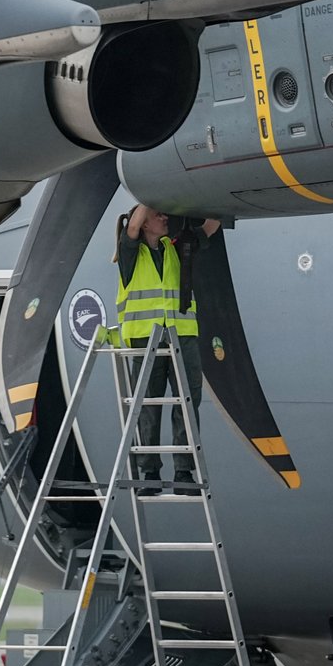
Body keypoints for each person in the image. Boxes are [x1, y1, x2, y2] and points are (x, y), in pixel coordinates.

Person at [113, 205, 220, 489]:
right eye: (157, 215)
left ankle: (184, 470)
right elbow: (132, 228)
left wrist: (212, 197)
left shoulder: (176, 249)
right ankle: (149, 473)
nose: (164, 218)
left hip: (181, 336)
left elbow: (210, 227)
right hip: (145, 338)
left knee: (187, 402)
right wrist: (148, 193)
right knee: (148, 406)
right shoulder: (130, 253)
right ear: (145, 223)